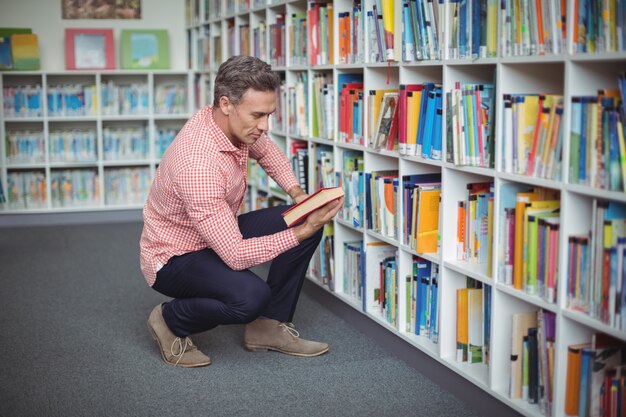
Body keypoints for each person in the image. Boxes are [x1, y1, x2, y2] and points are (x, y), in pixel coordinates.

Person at [139, 55, 343, 368]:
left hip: (215, 234)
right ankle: (170, 319)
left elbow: (267, 152)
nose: (265, 126)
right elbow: (235, 255)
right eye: (258, 115)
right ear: (226, 103)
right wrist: (304, 230)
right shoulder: (199, 164)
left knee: (302, 216)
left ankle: (268, 327)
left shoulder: (228, 123)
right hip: (175, 257)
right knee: (251, 296)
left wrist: (300, 196)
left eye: (269, 114)